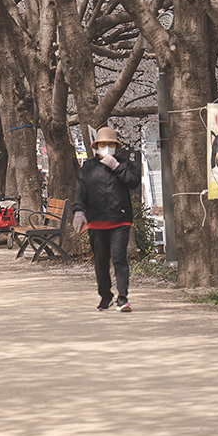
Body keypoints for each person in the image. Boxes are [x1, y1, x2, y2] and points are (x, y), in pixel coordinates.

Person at [72, 126, 141, 313]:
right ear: (96, 146)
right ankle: (105, 295)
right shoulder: (88, 168)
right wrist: (79, 212)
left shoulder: (124, 165)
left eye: (111, 144)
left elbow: (133, 182)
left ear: (116, 146)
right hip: (96, 221)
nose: (107, 147)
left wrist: (117, 168)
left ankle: (123, 298)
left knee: (119, 258)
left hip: (120, 220)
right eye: (103, 144)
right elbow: (80, 192)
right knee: (101, 260)